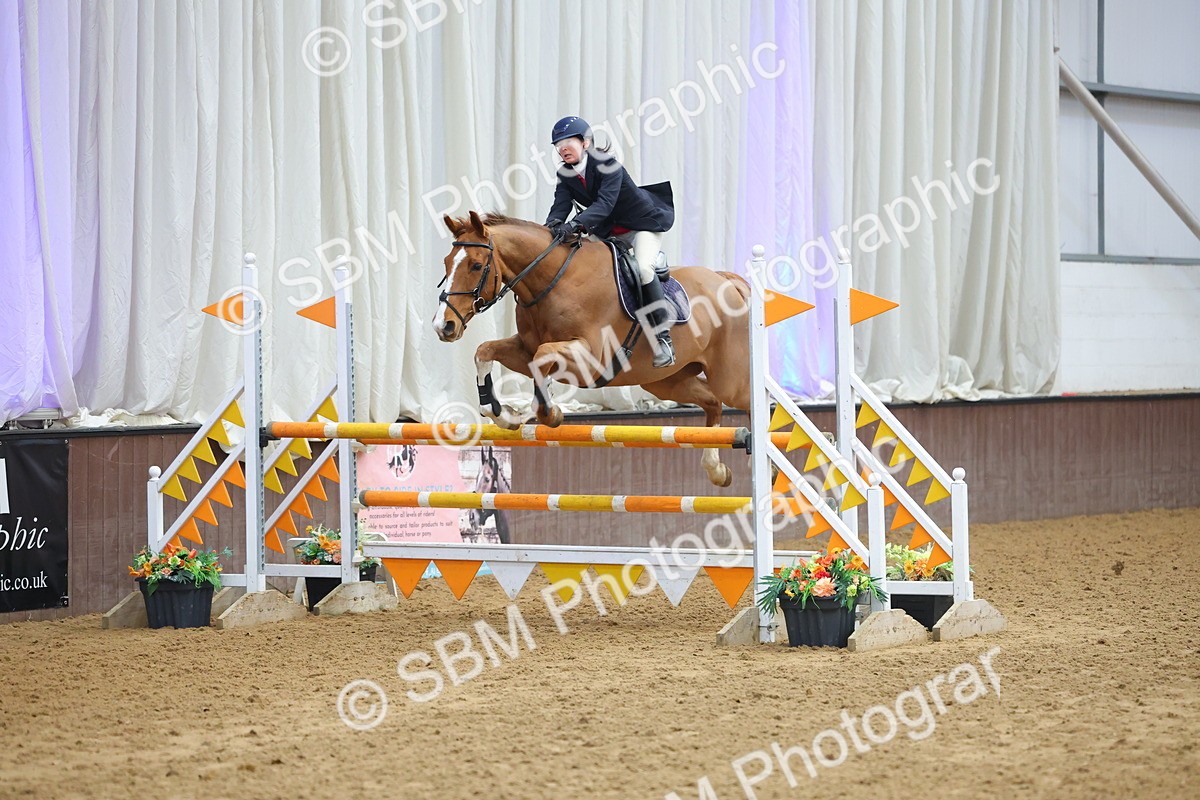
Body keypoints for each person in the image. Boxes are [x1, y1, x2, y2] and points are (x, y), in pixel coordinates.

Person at [544, 115, 677, 367]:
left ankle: (663, 340)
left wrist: (574, 224)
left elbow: (604, 205)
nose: (562, 148)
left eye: (567, 142)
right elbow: (559, 206)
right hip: (608, 232)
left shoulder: (608, 165)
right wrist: (548, 229)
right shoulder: (565, 172)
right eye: (557, 145)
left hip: (640, 226)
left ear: (585, 142)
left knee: (643, 269)